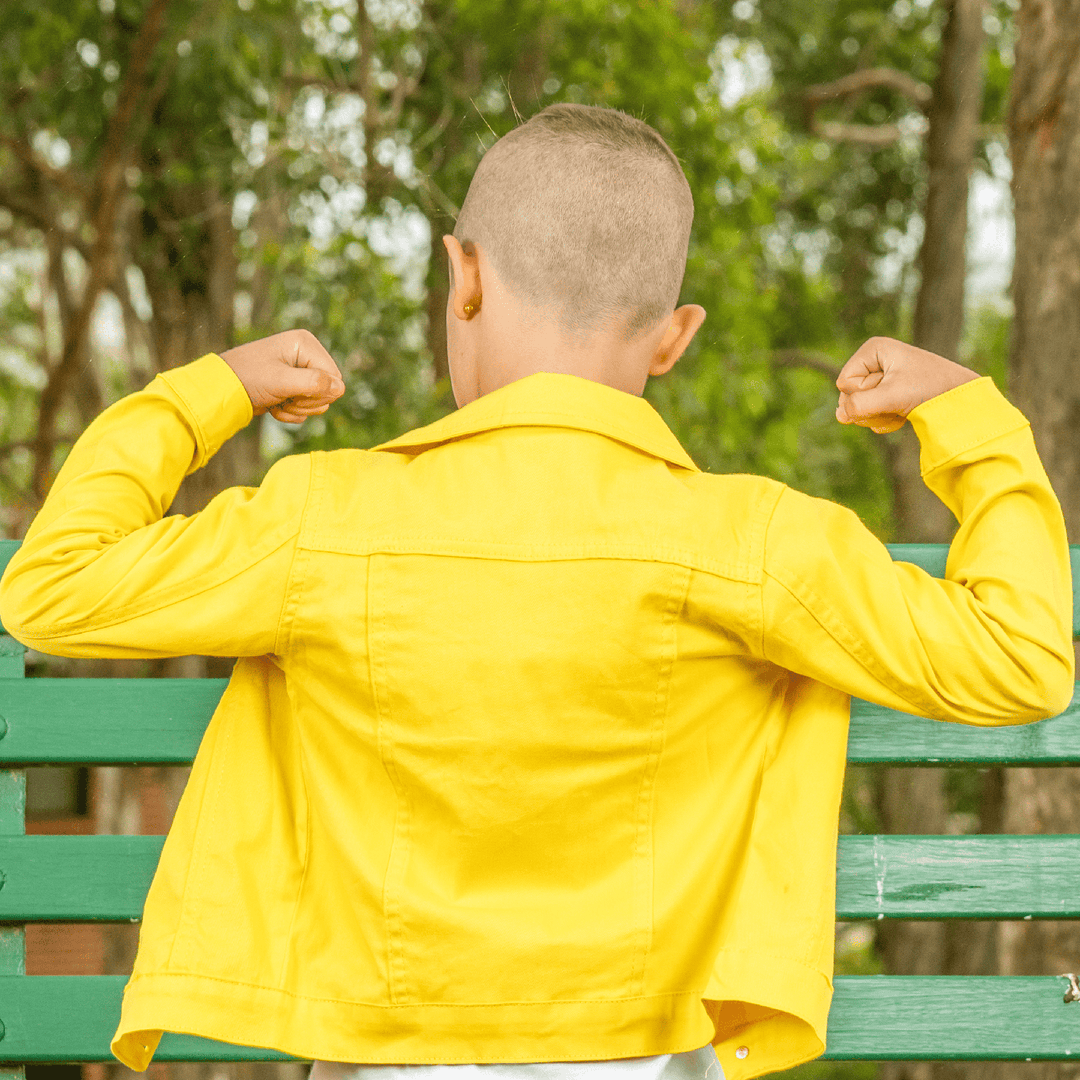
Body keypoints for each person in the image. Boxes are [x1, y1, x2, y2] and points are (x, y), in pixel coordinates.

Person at [0, 103, 1072, 1080]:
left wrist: (212, 389)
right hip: (644, 1058)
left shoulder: (325, 520)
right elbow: (1023, 659)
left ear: (461, 277)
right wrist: (973, 420)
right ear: (674, 334)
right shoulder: (754, 540)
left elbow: (50, 584)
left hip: (389, 1060)